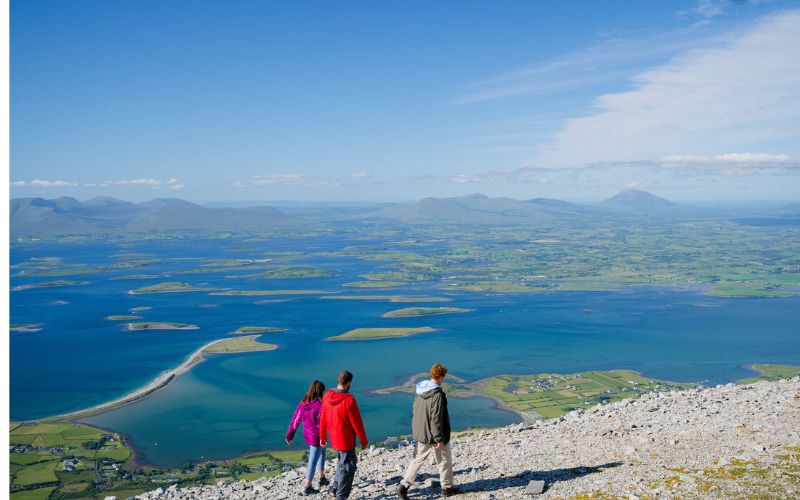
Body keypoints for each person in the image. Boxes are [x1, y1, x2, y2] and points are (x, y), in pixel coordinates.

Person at [397, 363, 459, 498]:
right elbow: (436, 419)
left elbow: (416, 411)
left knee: (417, 460)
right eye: (443, 376)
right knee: (444, 459)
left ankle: (403, 486)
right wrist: (439, 439)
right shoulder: (438, 395)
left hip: (422, 433)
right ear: (441, 376)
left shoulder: (420, 391)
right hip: (436, 435)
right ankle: (447, 488)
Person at [319, 370, 369, 499]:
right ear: (349, 383)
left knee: (342, 463)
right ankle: (340, 496)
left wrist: (322, 437)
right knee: (348, 469)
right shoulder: (349, 401)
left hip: (334, 438)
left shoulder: (327, 396)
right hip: (346, 440)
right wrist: (364, 441)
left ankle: (334, 487)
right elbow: (357, 423)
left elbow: (323, 418)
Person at [286, 380, 330, 495]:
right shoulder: (320, 405)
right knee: (312, 460)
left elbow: (296, 419)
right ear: (320, 391)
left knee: (322, 453)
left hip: (308, 434)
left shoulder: (303, 403)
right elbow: (322, 423)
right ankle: (307, 486)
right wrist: (323, 437)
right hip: (317, 436)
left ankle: (322, 478)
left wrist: (290, 434)